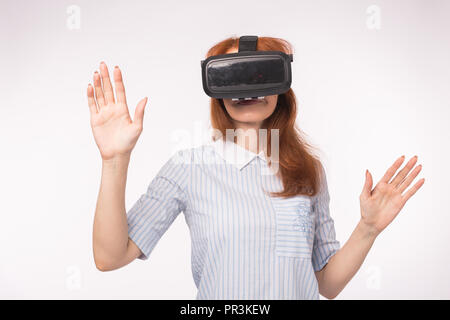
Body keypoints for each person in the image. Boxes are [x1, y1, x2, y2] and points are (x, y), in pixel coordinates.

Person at [87, 36, 425, 299]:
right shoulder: (188, 168)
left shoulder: (309, 170)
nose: (247, 88)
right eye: (234, 75)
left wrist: (368, 228)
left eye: (258, 74)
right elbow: (109, 257)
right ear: (217, 89)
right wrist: (114, 160)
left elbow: (327, 284)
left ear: (281, 84)